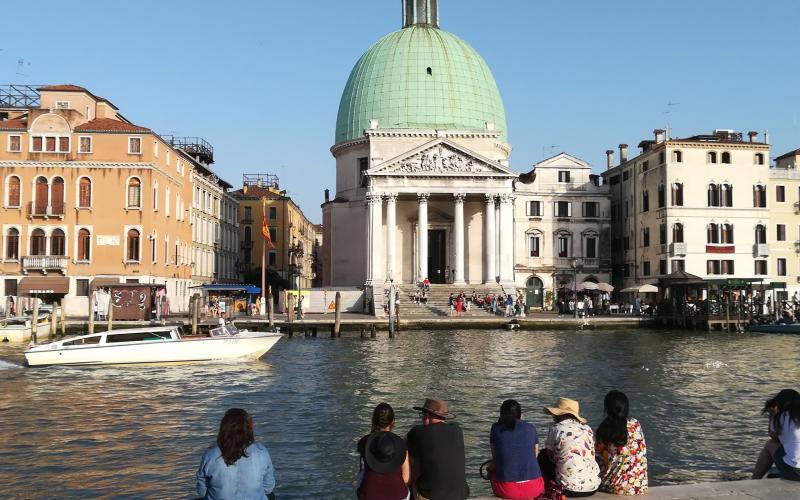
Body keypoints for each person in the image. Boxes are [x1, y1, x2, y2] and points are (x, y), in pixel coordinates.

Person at [197, 408, 276, 500]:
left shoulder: (210, 454)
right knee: (270, 495)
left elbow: (201, 492)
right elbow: (268, 488)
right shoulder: (261, 451)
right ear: (248, 428)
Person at [406, 398, 469, 500]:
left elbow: (403, 447)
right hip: (460, 495)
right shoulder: (457, 430)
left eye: (422, 415)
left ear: (427, 416)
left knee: (410, 457)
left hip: (431, 495)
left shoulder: (418, 432)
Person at [540, 397, 600, 498]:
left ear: (558, 414)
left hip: (568, 489)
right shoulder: (587, 429)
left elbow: (550, 457)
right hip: (593, 487)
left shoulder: (556, 428)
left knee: (543, 456)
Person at [488, 399, 544, 499]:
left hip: (508, 490)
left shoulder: (496, 428)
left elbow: (496, 459)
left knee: (492, 470)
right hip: (535, 488)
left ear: (501, 414)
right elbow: (535, 455)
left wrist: (489, 469)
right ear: (520, 414)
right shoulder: (531, 428)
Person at [595, 391, 648, 495]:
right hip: (639, 486)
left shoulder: (605, 428)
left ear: (607, 408)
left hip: (614, 487)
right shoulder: (635, 423)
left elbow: (602, 459)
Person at [356, 403, 410, 500]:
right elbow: (406, 478)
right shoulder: (401, 444)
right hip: (398, 495)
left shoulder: (364, 442)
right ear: (393, 422)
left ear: (373, 420)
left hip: (368, 496)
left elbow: (362, 472)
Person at [753, 389, 800, 480]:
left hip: (795, 472)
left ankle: (755, 479)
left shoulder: (782, 416)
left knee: (769, 444)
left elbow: (774, 437)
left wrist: (772, 416)